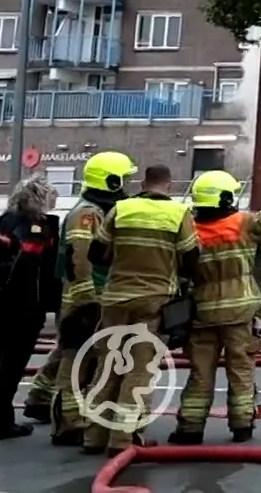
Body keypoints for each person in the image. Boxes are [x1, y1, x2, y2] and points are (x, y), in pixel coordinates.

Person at [171, 172, 261, 444]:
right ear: (226, 196)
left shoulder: (189, 231)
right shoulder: (245, 223)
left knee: (200, 374)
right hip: (241, 313)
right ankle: (242, 426)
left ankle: (190, 429)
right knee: (241, 370)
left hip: (202, 314)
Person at [81, 164, 198, 456]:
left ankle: (93, 437)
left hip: (116, 298)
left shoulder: (121, 209)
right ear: (169, 185)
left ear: (143, 183)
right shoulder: (178, 214)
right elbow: (191, 258)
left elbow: (96, 253)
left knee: (107, 366)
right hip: (153, 301)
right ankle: (122, 441)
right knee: (138, 372)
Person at [51, 150, 134, 448]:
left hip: (94, 296)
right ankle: (67, 424)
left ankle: (51, 407)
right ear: (111, 181)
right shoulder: (88, 214)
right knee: (76, 364)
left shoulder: (99, 210)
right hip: (84, 299)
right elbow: (82, 256)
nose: (127, 184)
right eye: (123, 178)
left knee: (76, 359)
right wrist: (89, 298)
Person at [0, 176, 61, 440]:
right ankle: (0, 424)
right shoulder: (32, 228)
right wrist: (45, 301)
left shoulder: (3, 222)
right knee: (10, 366)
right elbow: (29, 266)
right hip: (19, 308)